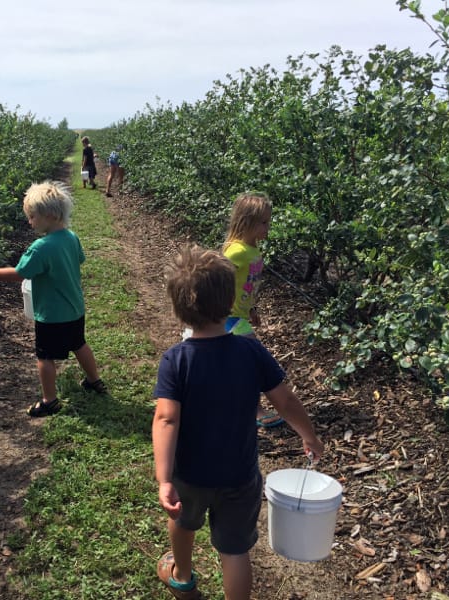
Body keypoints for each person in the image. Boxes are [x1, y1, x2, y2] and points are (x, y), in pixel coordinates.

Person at [152, 244, 324, 600]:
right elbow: (285, 401)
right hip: (240, 476)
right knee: (234, 551)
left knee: (183, 522)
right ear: (231, 301)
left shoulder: (176, 360)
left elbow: (166, 418)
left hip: (190, 474)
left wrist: (164, 478)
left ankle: (181, 576)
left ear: (177, 309)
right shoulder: (251, 351)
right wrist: (309, 435)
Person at [0, 180, 107, 417]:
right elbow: (78, 260)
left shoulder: (40, 247)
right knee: (79, 344)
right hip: (74, 308)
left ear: (50, 215)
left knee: (45, 356)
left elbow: (19, 273)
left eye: (32, 217)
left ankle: (49, 400)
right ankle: (95, 381)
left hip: (51, 314)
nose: (30, 222)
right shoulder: (71, 237)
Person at [222, 191, 282, 429]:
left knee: (238, 363)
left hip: (240, 316)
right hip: (228, 317)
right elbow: (219, 278)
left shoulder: (252, 249)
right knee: (253, 360)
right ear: (247, 222)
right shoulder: (236, 251)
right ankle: (255, 410)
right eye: (263, 223)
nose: (268, 227)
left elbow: (247, 285)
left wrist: (252, 308)